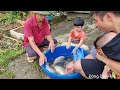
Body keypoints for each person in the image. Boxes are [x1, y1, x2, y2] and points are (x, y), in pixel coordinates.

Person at [65, 11, 120, 79]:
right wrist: (73, 64)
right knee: (77, 65)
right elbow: (94, 54)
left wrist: (104, 59)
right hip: (109, 67)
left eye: (96, 21)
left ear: (108, 17)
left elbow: (99, 56)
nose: (96, 25)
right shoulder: (106, 34)